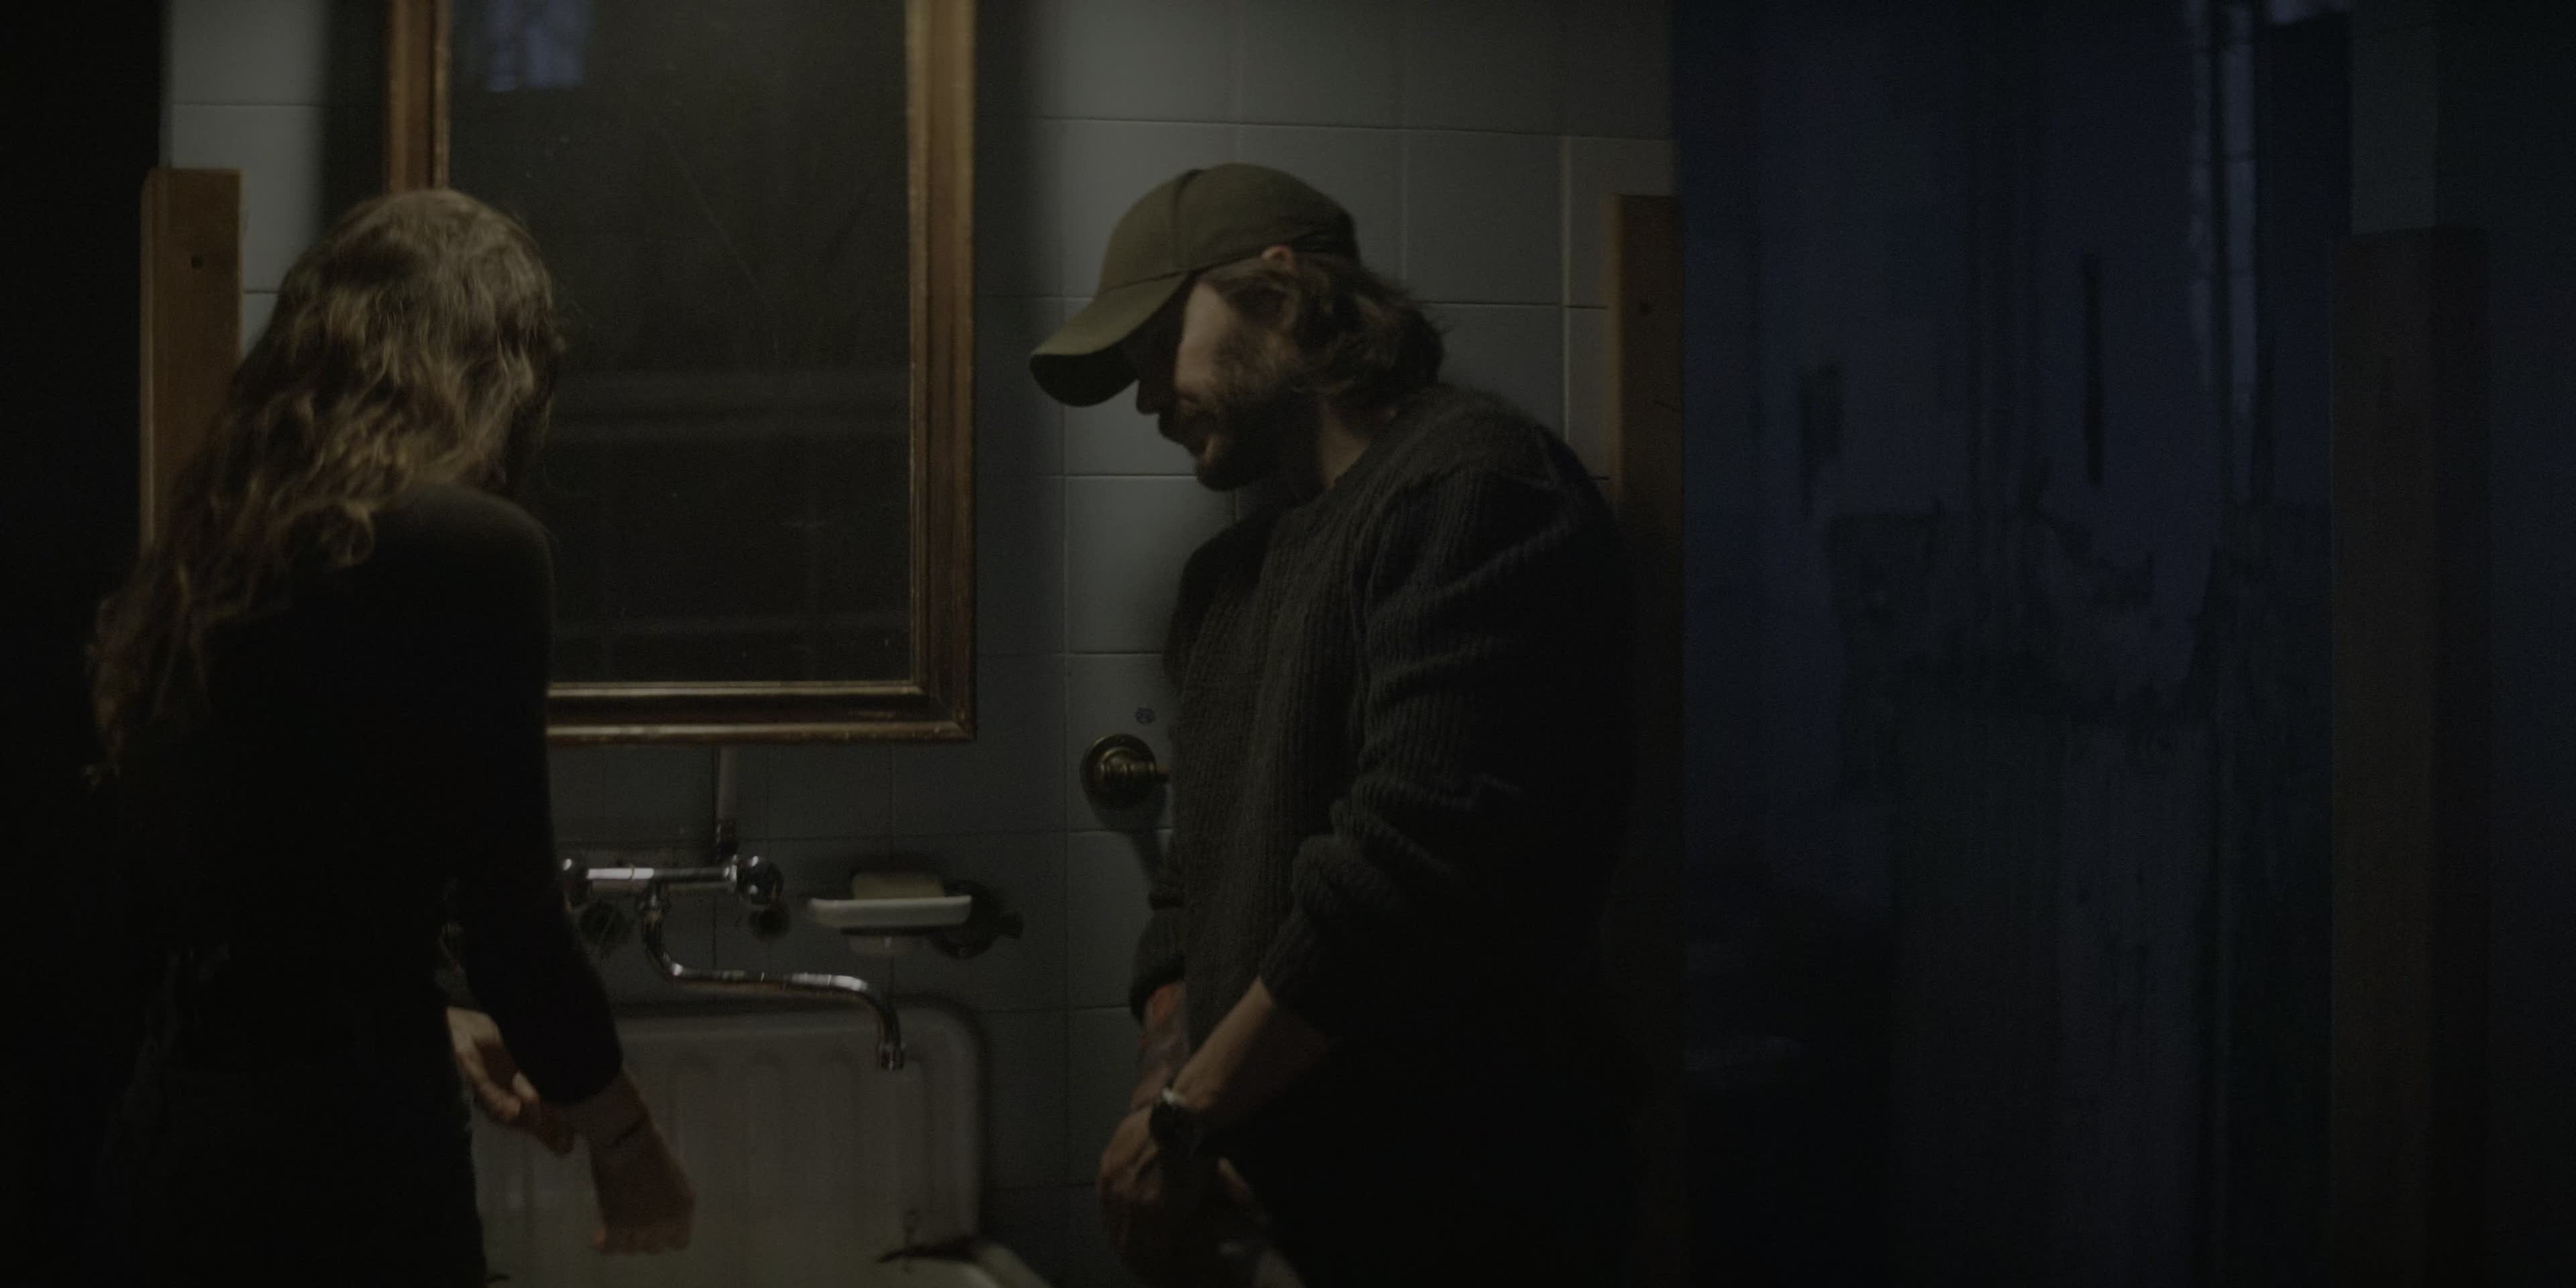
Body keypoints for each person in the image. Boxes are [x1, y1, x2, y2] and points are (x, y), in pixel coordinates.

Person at [1034, 164, 1638, 1286]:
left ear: (1280, 289)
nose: (1146, 395)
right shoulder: (1228, 580)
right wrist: (1166, 1110)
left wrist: (1188, 1117)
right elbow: (1190, 893)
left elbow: (1417, 869)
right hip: (1269, 1208)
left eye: (1160, 342)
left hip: (1460, 1212)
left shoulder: (1475, 486)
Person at [85, 189, 694, 1285]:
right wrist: (624, 1139)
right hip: (344, 1165)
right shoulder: (474, 549)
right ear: (497, 369)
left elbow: (224, 903)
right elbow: (512, 922)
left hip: (173, 1142)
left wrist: (428, 1017)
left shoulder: (220, 546)